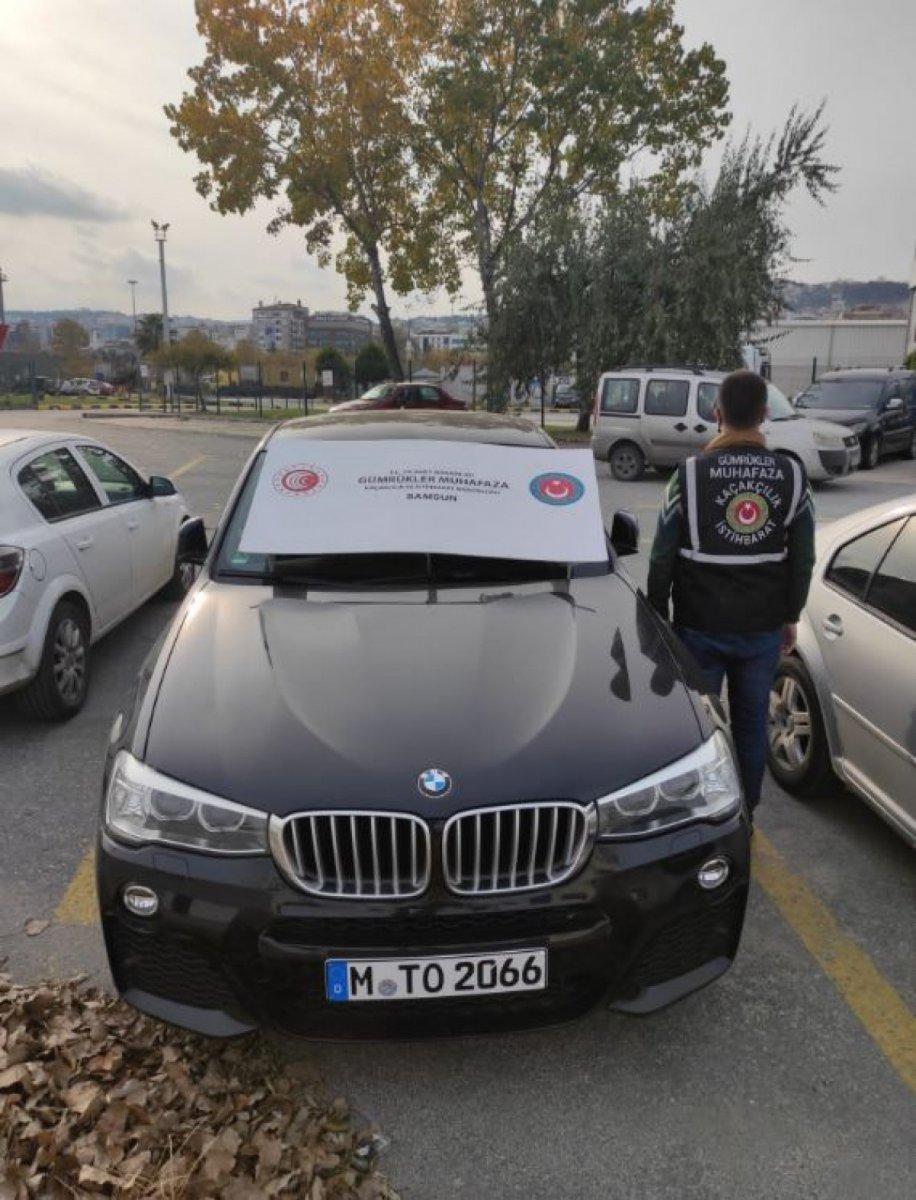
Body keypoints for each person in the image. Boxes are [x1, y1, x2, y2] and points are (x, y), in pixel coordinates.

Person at [646, 370, 816, 819]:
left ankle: (707, 821)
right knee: (750, 727)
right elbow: (803, 560)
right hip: (761, 630)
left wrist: (658, 615)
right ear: (764, 414)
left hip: (697, 626)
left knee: (701, 728)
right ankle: (748, 817)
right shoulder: (792, 476)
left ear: (716, 413)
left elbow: (661, 556)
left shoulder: (687, 476)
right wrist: (790, 614)